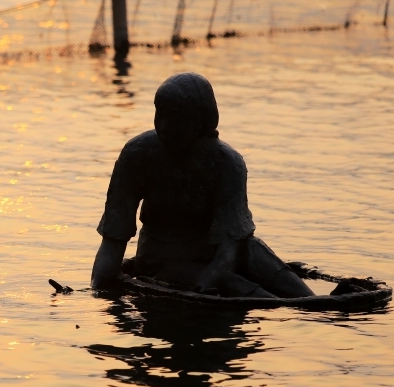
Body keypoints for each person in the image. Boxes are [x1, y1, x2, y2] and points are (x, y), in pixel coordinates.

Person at [90, 72, 314, 298]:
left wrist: (213, 275)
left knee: (256, 253)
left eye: (176, 118)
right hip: (162, 258)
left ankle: (313, 301)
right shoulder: (137, 154)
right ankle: (292, 304)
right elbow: (114, 237)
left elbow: (231, 242)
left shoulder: (227, 163)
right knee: (236, 286)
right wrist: (98, 287)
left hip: (217, 251)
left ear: (199, 122)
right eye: (160, 114)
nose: (165, 127)